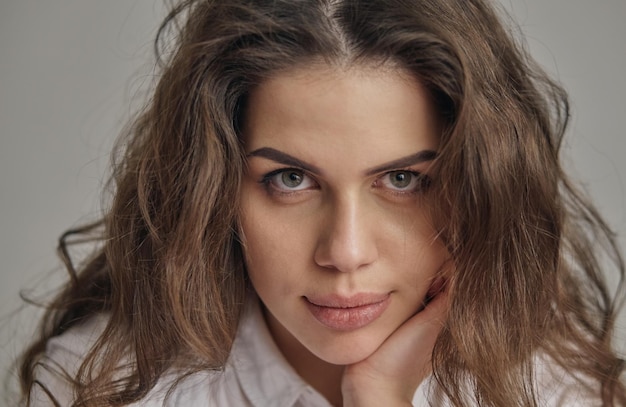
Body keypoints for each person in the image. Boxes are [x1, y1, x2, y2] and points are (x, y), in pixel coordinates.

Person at [17, 0, 626, 405]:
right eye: (289, 180)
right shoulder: (103, 386)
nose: (346, 253)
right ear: (212, 192)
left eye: (403, 181)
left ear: (479, 186)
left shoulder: (553, 390)